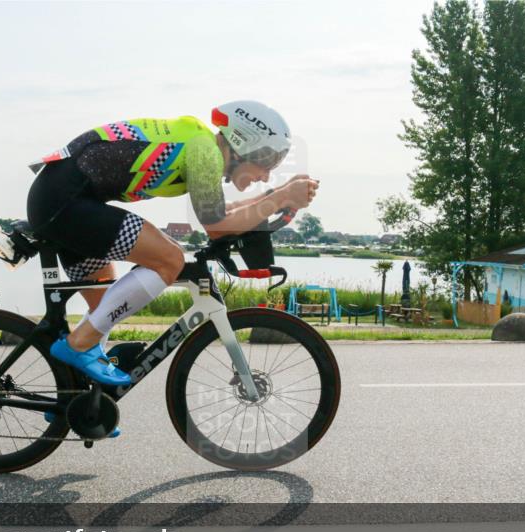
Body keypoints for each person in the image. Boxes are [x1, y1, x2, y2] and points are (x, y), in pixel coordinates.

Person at [27, 101, 318, 386]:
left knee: (105, 308)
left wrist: (279, 193)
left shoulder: (201, 144)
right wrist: (280, 198)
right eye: (266, 164)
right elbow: (217, 228)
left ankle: (72, 396)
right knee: (169, 259)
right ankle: (78, 345)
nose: (265, 175)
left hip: (61, 200)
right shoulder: (204, 151)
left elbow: (222, 213)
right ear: (245, 146)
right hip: (64, 204)